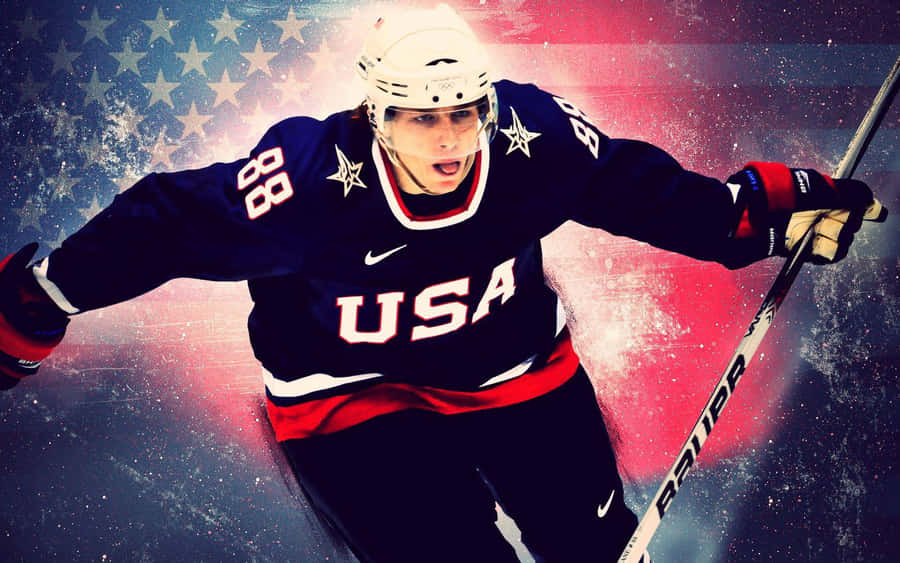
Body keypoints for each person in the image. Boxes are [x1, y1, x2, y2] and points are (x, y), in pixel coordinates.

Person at [0, 4, 886, 562]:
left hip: (515, 371)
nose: (449, 137)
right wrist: (41, 299)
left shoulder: (530, 143)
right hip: (347, 396)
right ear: (376, 114)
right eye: (422, 117)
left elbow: (632, 186)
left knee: (597, 543)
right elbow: (166, 220)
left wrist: (756, 216)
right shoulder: (304, 182)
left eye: (463, 111)